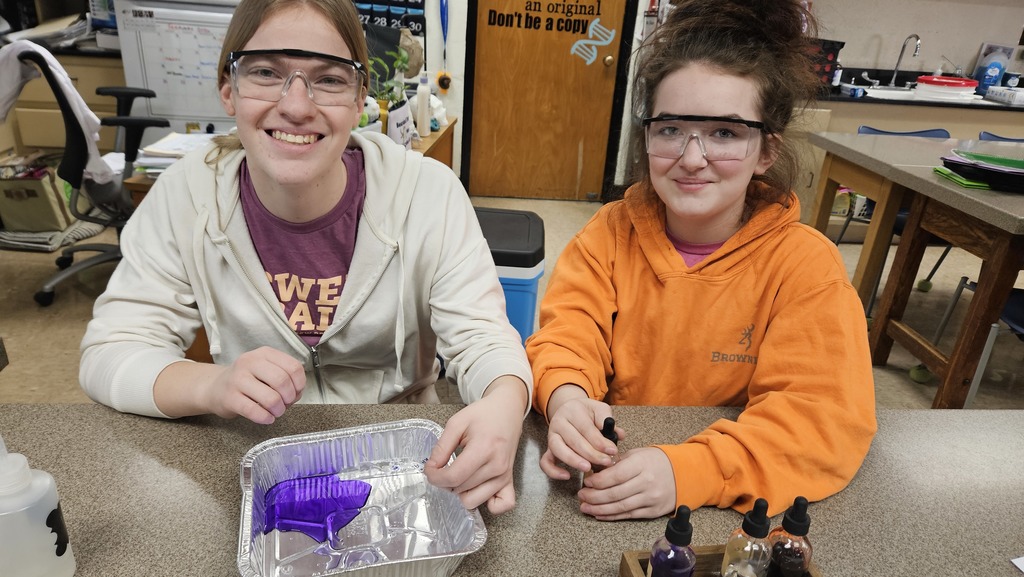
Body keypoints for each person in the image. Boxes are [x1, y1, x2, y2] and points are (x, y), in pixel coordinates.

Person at [79, 0, 532, 515]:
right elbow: (109, 354)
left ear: (363, 95)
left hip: (403, 466)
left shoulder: (429, 193)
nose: (296, 105)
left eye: (330, 78)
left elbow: (485, 338)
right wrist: (212, 384)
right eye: (267, 72)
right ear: (228, 88)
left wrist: (503, 403)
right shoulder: (187, 196)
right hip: (259, 462)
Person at [525, 0, 876, 520]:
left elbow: (819, 418)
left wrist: (692, 471)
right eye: (670, 129)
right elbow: (568, 332)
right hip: (607, 474)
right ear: (646, 136)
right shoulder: (610, 232)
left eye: (725, 133)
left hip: (720, 509)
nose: (692, 158)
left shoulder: (806, 268)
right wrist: (567, 398)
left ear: (766, 151)